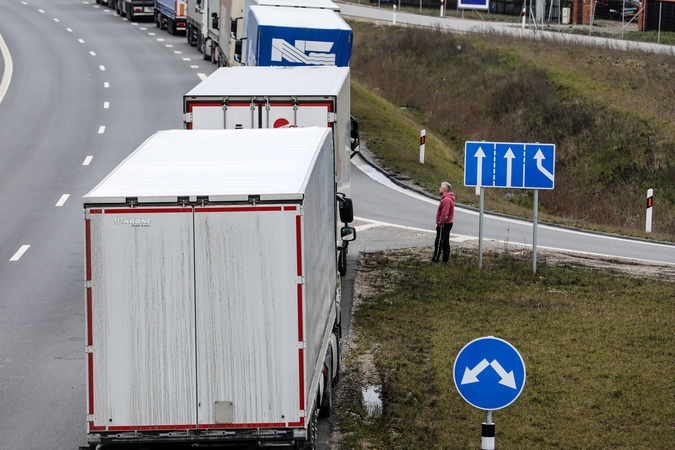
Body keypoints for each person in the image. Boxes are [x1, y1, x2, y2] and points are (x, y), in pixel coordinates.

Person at [432, 182, 455, 264]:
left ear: (444, 190)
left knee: (439, 241)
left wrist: (440, 222)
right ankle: (445, 260)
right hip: (448, 223)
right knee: (445, 241)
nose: (439, 189)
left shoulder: (446, 200)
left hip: (444, 224)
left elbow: (445, 213)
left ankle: (435, 259)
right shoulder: (448, 199)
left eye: (440, 187)